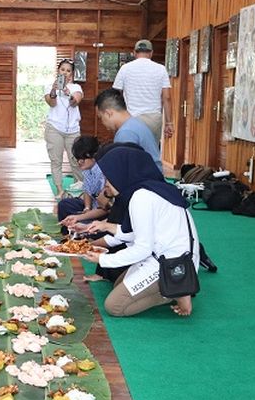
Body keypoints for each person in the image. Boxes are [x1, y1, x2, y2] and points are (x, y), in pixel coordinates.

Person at [79, 145, 200, 317]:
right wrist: (108, 226)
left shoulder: (141, 197)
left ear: (121, 174)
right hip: (170, 257)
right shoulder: (150, 190)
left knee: (114, 306)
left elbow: (143, 248)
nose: (105, 183)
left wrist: (103, 259)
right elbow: (141, 233)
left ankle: (174, 291)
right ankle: (173, 288)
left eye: (108, 177)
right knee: (119, 284)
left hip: (173, 265)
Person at [112, 39, 173, 142]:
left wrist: (117, 118)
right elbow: (166, 97)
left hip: (131, 118)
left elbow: (116, 95)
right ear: (151, 53)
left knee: (130, 150)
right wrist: (169, 123)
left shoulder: (125, 69)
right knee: (150, 151)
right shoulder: (161, 69)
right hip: (153, 119)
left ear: (134, 52)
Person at [44, 58, 84, 199]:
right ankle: (60, 189)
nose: (65, 73)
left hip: (73, 130)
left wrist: (68, 93)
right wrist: (54, 89)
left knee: (76, 160)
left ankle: (79, 189)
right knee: (56, 160)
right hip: (54, 128)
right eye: (63, 70)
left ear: (71, 74)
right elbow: (51, 103)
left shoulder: (76, 88)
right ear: (58, 71)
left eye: (68, 71)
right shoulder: (49, 86)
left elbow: (75, 102)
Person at [94, 88, 162, 172]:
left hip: (145, 180)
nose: (102, 122)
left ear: (108, 113)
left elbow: (126, 170)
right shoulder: (135, 123)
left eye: (101, 118)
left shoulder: (126, 133)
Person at [57, 136, 109, 234]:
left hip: (102, 212)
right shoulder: (87, 169)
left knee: (81, 223)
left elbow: (105, 208)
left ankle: (77, 233)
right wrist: (87, 208)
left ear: (93, 156)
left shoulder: (103, 172)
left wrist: (80, 217)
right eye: (77, 159)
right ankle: (67, 235)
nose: (79, 163)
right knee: (64, 204)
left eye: (82, 159)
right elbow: (87, 191)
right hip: (93, 208)